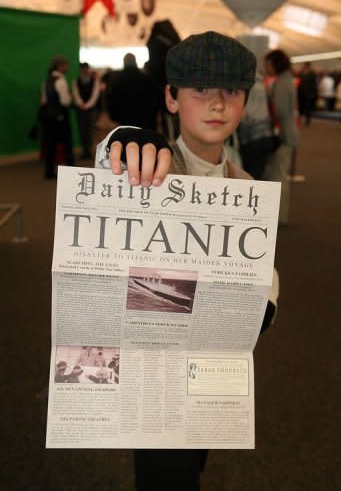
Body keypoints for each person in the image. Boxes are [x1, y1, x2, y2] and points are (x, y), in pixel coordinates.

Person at [95, 31, 279, 491]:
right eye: (200, 91)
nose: (217, 104)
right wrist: (126, 141)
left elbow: (262, 264)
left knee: (195, 458)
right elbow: (109, 162)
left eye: (231, 92)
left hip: (213, 365)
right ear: (171, 99)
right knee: (166, 475)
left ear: (244, 102)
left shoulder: (245, 183)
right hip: (153, 367)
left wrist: (266, 302)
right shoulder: (146, 170)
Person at [263, 49, 299, 226]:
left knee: (278, 175)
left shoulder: (282, 83)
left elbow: (281, 110)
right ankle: (279, 215)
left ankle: (278, 216)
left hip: (283, 135)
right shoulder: (286, 80)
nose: (266, 68)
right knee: (279, 174)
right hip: (288, 132)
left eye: (268, 64)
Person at [106, 52, 160, 130]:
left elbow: (112, 100)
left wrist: (114, 116)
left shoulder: (117, 81)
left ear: (124, 62)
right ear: (135, 62)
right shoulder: (146, 80)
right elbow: (155, 97)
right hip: (145, 119)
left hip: (125, 120)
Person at [41, 55, 74, 178]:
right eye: (65, 65)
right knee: (67, 145)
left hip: (49, 118)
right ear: (59, 66)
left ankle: (49, 172)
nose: (67, 67)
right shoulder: (61, 81)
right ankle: (71, 172)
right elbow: (65, 101)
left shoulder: (47, 80)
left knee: (50, 146)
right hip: (61, 117)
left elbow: (44, 100)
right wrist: (71, 98)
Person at [72, 62, 100, 159]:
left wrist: (87, 105)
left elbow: (95, 95)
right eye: (83, 69)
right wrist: (80, 104)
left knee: (90, 131)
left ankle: (90, 152)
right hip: (80, 110)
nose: (85, 71)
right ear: (81, 70)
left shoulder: (94, 80)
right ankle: (85, 151)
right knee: (82, 131)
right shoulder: (76, 81)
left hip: (91, 110)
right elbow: (76, 94)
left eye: (86, 69)